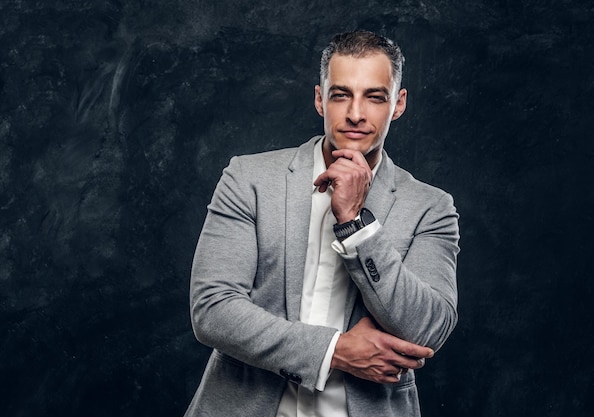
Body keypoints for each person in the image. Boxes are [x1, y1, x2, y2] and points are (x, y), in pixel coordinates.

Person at [185, 30, 460, 417]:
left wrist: (356, 224)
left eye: (374, 97)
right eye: (340, 94)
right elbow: (212, 310)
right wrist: (335, 352)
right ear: (319, 99)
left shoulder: (430, 207)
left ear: (398, 104)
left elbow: (427, 330)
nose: (356, 114)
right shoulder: (248, 179)